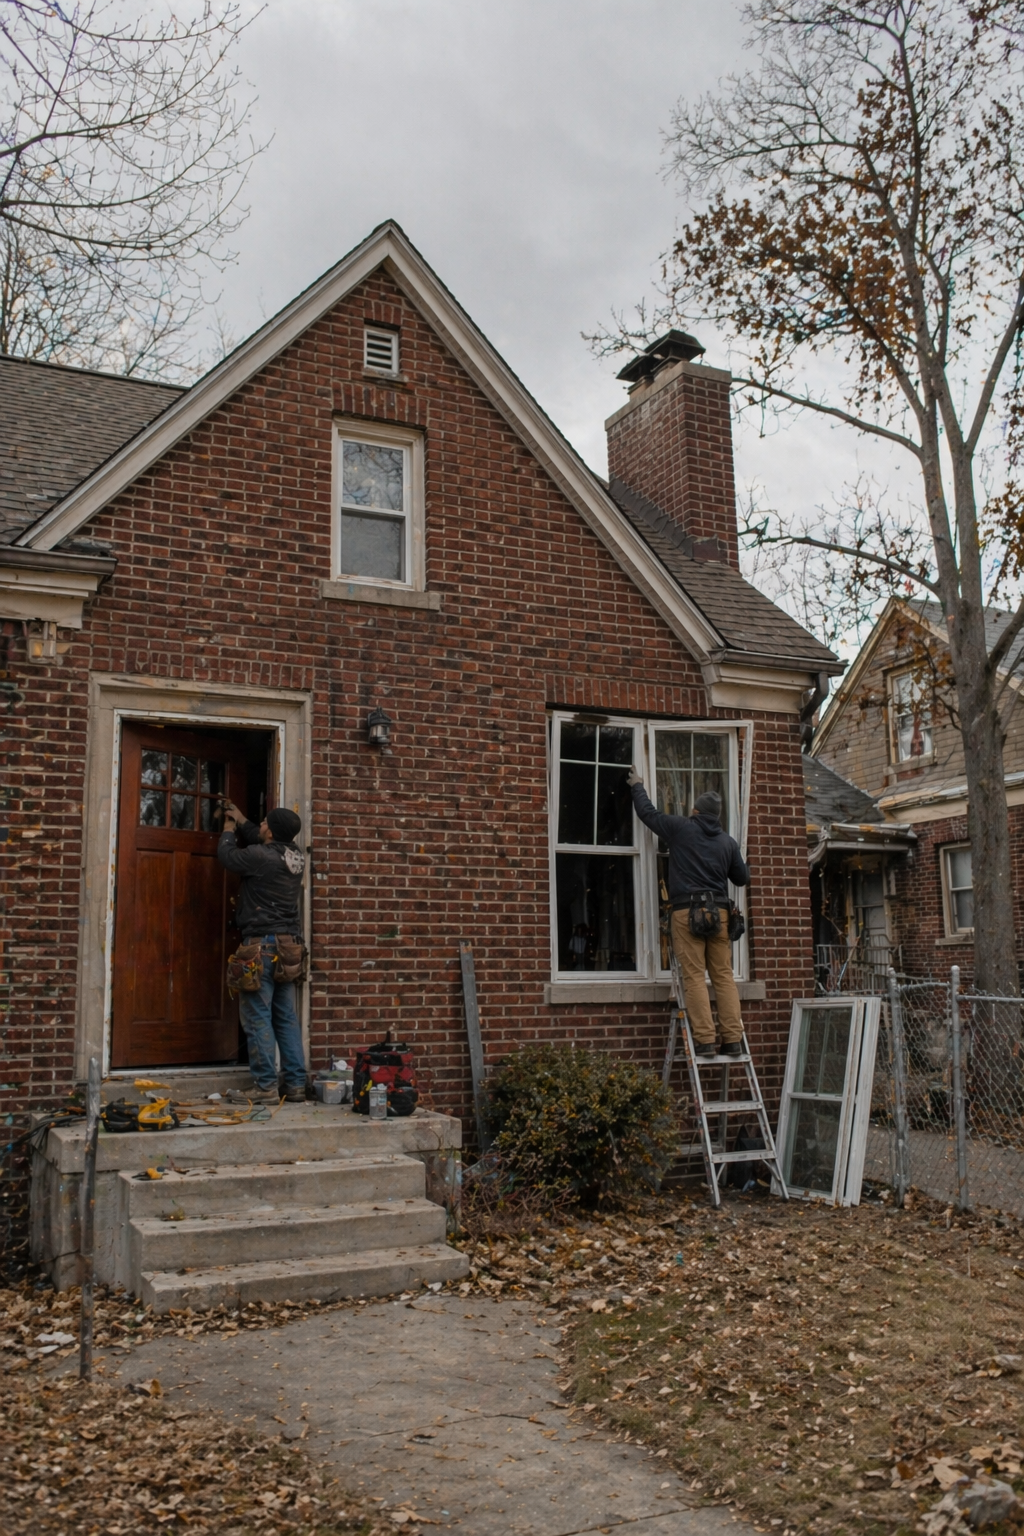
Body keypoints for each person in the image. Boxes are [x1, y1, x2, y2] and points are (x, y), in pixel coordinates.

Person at [627, 771, 750, 1058]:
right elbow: (742, 878)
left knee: (694, 976)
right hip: (719, 914)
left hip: (687, 912)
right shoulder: (728, 843)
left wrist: (638, 787)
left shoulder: (681, 827)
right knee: (723, 976)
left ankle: (705, 1040)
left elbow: (648, 813)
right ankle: (732, 1040)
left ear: (695, 810)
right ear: (716, 816)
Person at [217, 801, 308, 1105]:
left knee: (257, 1017)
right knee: (285, 1017)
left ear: (272, 832)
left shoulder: (259, 857)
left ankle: (265, 1087)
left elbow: (227, 857)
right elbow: (262, 836)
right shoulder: (295, 857)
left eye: (266, 822)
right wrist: (242, 817)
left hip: (261, 947)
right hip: (289, 947)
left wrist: (229, 829)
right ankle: (295, 1084)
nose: (262, 826)